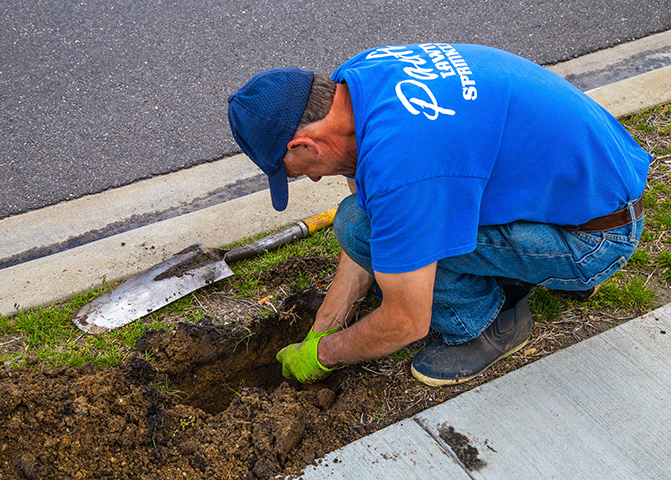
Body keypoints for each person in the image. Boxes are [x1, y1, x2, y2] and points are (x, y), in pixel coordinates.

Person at [226, 43, 651, 386]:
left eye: (298, 173)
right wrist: (328, 322)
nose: (314, 181)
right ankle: (539, 270)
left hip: (596, 240)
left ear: (305, 146)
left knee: (359, 227)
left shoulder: (401, 164)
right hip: (593, 193)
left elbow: (406, 321)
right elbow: (375, 208)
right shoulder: (360, 81)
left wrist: (323, 355)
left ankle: (491, 324)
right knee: (371, 225)